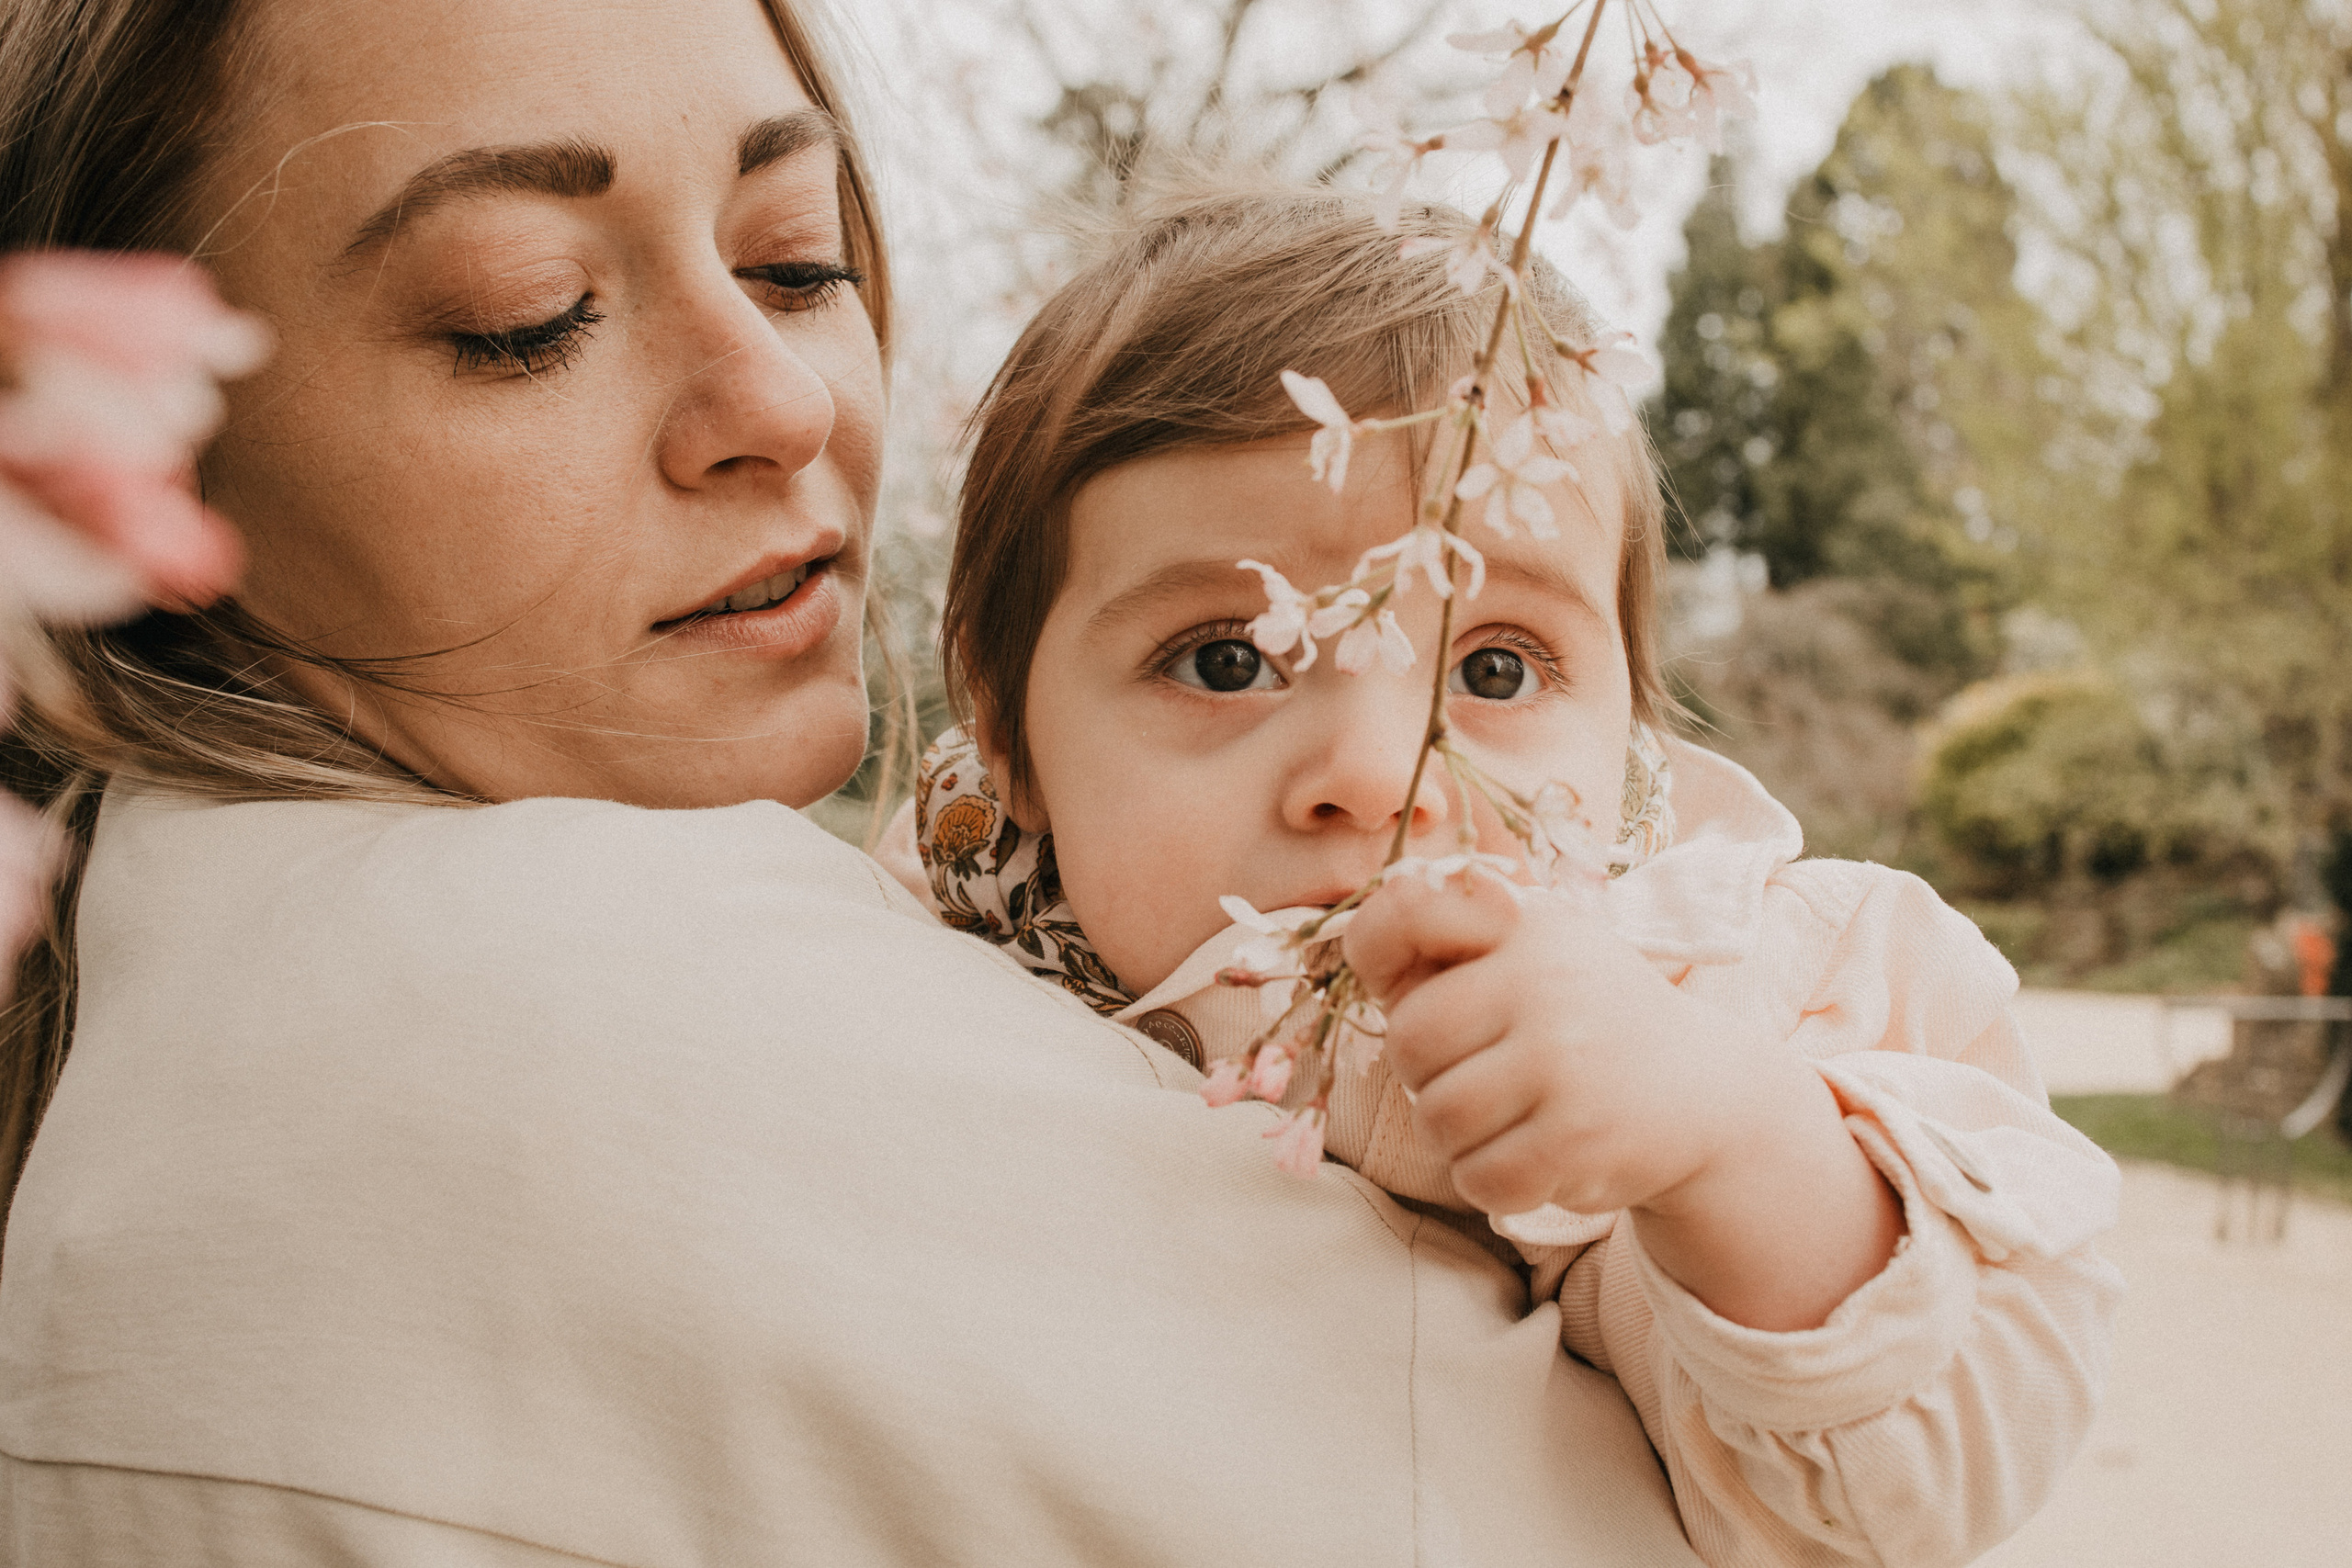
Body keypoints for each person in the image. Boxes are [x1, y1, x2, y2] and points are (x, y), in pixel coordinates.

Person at [0, 3, 1873, 1565]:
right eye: (525, 312)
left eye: (795, 258)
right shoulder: (553, 1012)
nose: (786, 401)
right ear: (122, 469)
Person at [892, 186, 2127, 1565]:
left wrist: (1722, 1138)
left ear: (1627, 724)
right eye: (1227, 658)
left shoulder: (1717, 978)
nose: (1378, 771)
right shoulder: (927, 947)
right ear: (1009, 741)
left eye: (1495, 667)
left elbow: (1923, 1479)